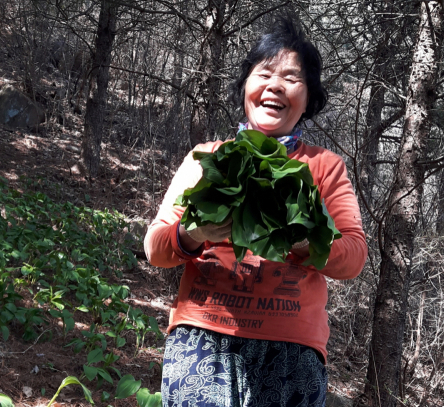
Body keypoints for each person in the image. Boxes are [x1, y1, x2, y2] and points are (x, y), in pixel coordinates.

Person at [144, 16, 367, 407]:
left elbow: (354, 256)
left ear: (309, 96)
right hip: (203, 338)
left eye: (293, 78)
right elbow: (156, 247)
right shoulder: (207, 158)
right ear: (245, 85)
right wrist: (194, 234)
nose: (275, 85)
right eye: (264, 72)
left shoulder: (324, 166)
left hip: (291, 349)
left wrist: (303, 239)